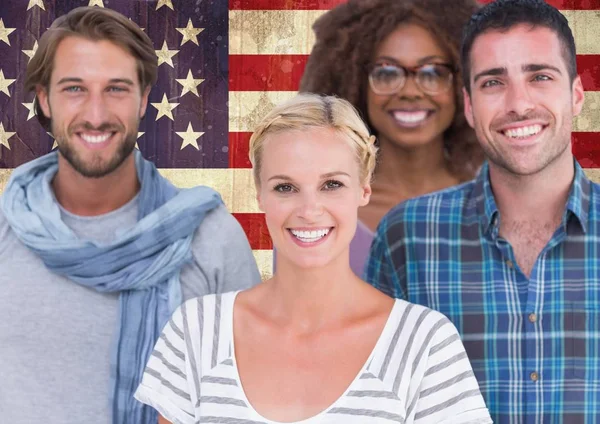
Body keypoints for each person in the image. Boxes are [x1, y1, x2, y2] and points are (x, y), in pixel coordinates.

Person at [134, 94, 493, 424]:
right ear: (260, 194)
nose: (309, 210)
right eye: (285, 187)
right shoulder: (197, 330)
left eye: (331, 184)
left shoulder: (424, 343)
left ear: (363, 188)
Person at [0, 6, 260, 424]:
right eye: (74, 89)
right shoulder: (4, 229)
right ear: (44, 99)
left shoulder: (211, 238)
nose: (97, 113)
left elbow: (252, 398)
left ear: (143, 99)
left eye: (116, 89)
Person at [364, 0, 600, 422]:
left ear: (577, 94)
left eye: (540, 76)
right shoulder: (408, 236)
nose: (518, 103)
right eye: (493, 83)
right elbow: (376, 403)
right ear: (469, 106)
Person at [299, 0, 484, 277]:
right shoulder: (320, 208)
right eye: (387, 73)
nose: (410, 91)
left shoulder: (493, 200)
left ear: (461, 84)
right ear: (355, 84)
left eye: (433, 72)